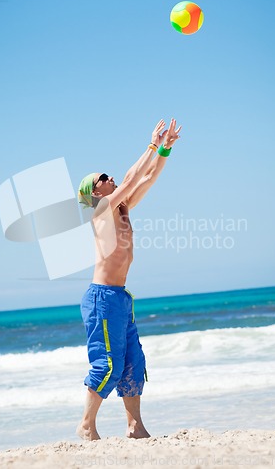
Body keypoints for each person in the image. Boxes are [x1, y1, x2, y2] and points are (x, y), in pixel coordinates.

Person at [77, 118, 182, 441]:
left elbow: (146, 178)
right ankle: (86, 425)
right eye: (103, 178)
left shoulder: (122, 208)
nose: (110, 178)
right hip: (102, 298)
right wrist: (151, 144)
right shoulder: (101, 211)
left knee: (134, 362)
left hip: (121, 297)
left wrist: (165, 149)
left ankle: (134, 426)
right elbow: (132, 176)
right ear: (96, 192)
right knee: (107, 365)